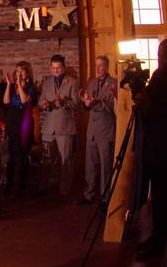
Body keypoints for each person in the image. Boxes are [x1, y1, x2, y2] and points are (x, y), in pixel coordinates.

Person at [137, 39, 167, 260]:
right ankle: (159, 237)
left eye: (160, 54)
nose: (158, 57)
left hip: (160, 146)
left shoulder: (162, 77)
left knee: (161, 197)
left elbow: (150, 109)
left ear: (164, 55)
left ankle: (158, 241)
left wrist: (141, 99)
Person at [39, 54, 79, 197]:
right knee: (46, 159)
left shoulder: (72, 82)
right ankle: (45, 187)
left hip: (65, 127)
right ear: (50, 68)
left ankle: (64, 191)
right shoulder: (46, 82)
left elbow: (76, 104)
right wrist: (43, 105)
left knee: (65, 160)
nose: (56, 70)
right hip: (49, 127)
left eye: (58, 68)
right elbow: (40, 102)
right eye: (53, 68)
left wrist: (63, 102)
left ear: (64, 67)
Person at [81, 55, 117, 203]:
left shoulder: (113, 83)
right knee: (90, 164)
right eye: (95, 65)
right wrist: (85, 102)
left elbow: (111, 107)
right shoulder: (92, 82)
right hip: (92, 130)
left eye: (100, 65)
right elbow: (88, 103)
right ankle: (88, 194)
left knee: (105, 166)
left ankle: (105, 197)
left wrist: (95, 103)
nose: (97, 68)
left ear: (106, 67)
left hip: (106, 130)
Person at [3, 61, 36, 194]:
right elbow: (5, 101)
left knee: (23, 153)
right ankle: (10, 183)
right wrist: (10, 84)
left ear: (26, 73)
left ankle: (21, 185)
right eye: (17, 71)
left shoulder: (31, 87)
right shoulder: (12, 87)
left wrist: (20, 86)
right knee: (12, 153)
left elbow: (23, 100)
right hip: (12, 119)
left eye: (21, 71)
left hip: (24, 121)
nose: (19, 73)